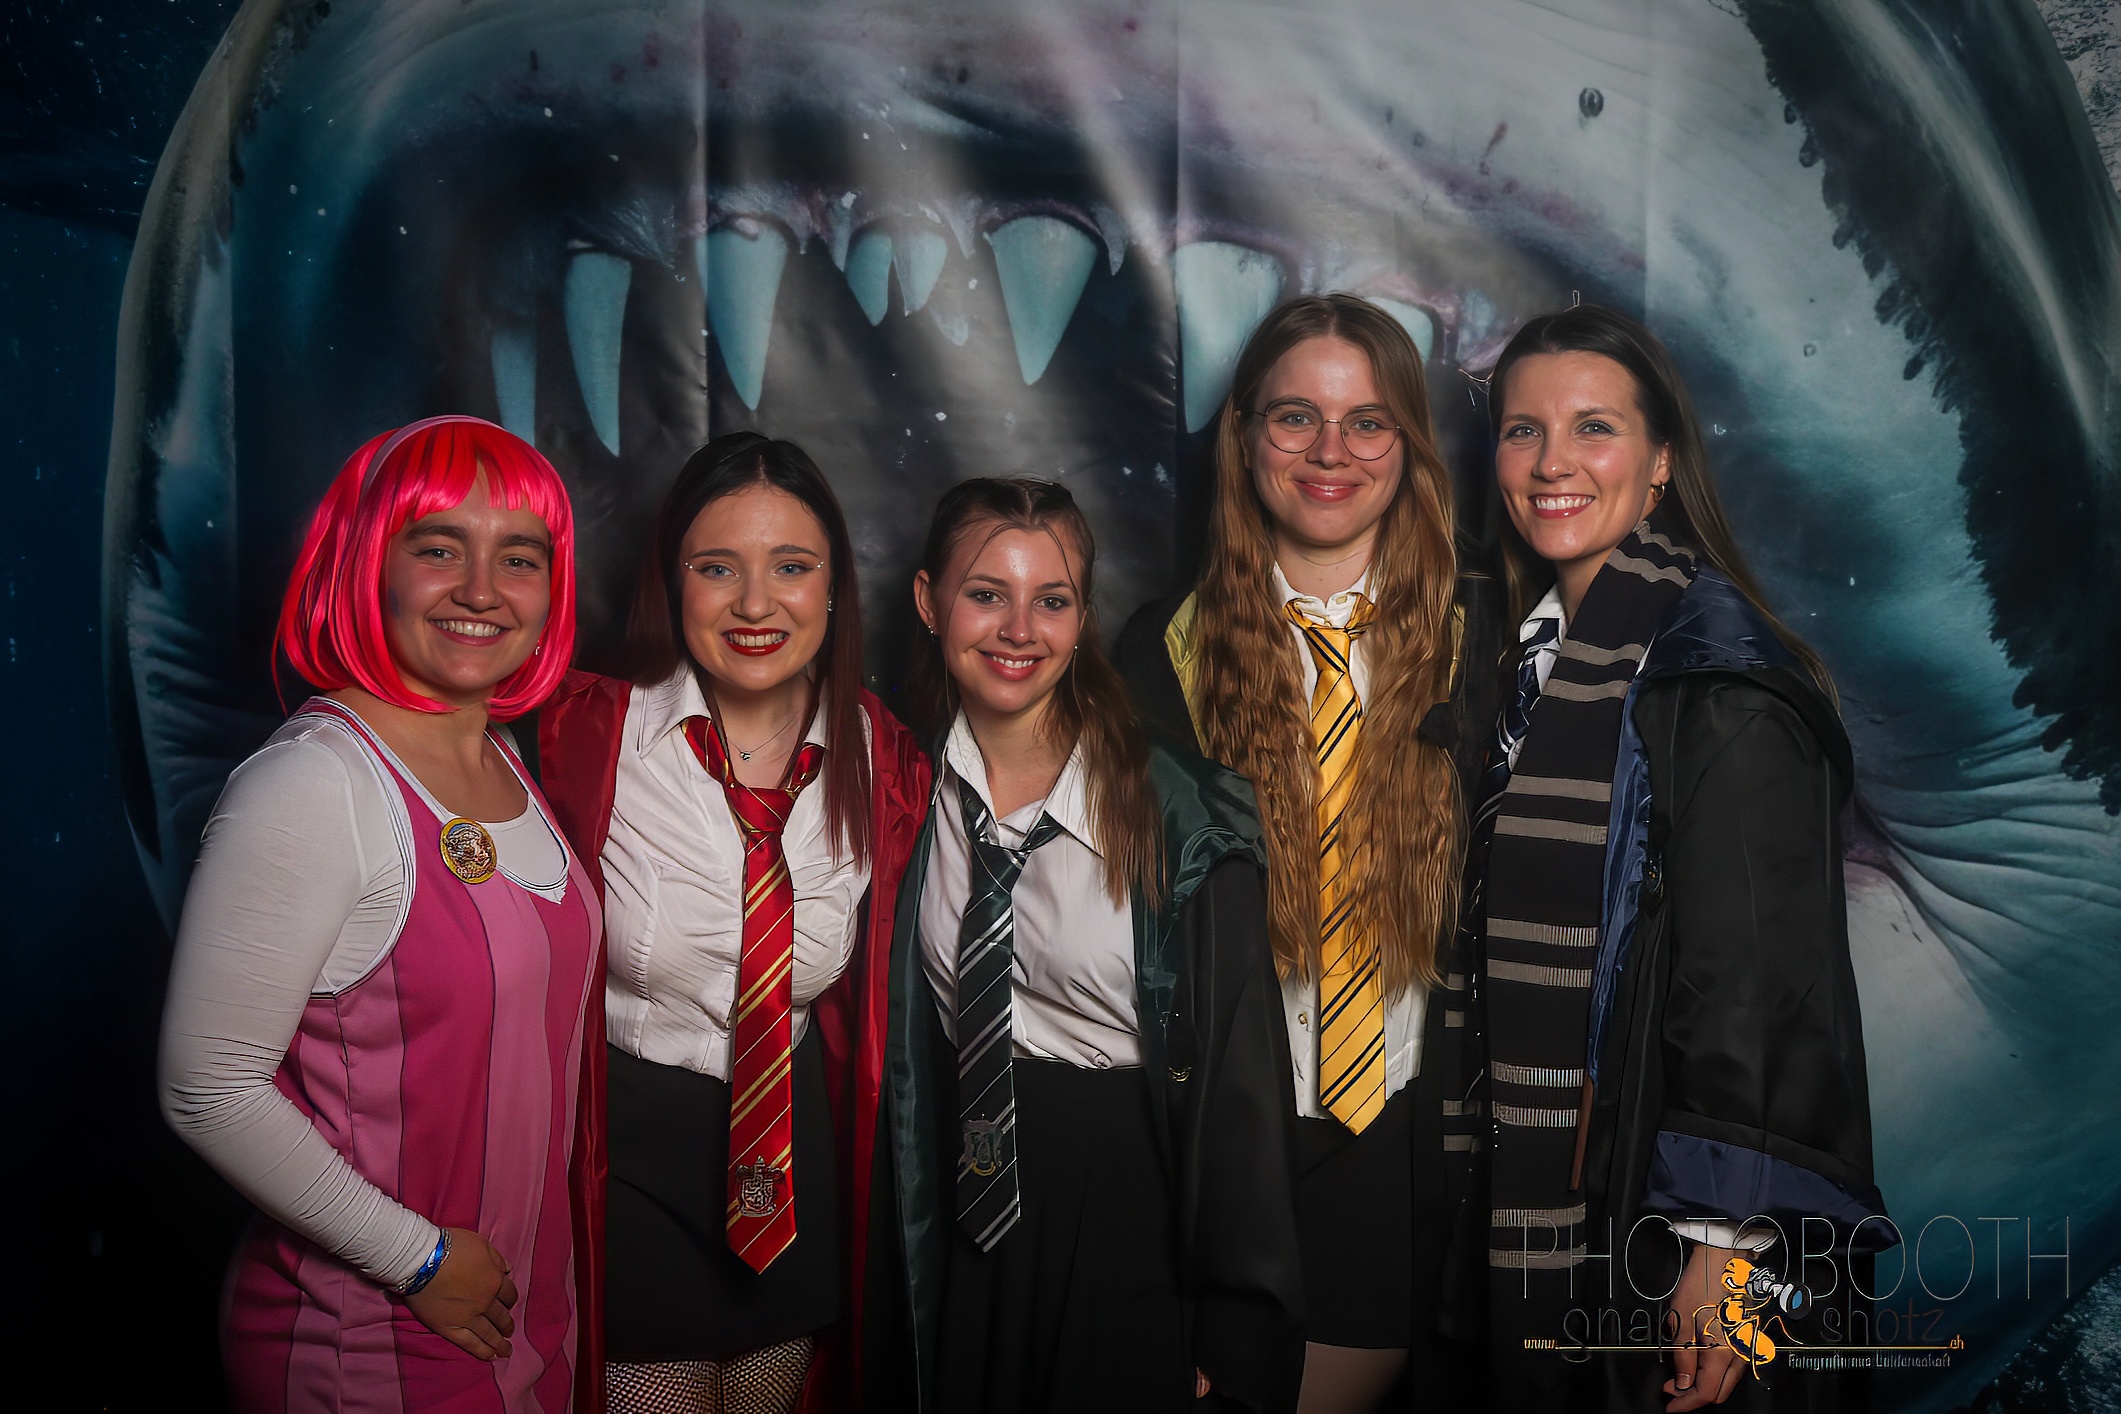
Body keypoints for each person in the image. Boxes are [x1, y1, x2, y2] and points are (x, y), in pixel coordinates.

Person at [1470, 303, 1890, 1411]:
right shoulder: (1526, 671)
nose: (1552, 463)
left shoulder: (1718, 679)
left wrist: (1726, 1241)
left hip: (1668, 1217)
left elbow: (1763, 983)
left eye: (1593, 428)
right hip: (1554, 1197)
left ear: (1660, 461)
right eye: (1522, 430)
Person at [159, 415, 598, 1412]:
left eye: (518, 558)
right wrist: (418, 1257)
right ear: (368, 565)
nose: (481, 590)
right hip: (367, 1335)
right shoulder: (312, 784)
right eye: (438, 548)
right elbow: (206, 1087)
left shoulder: (503, 759)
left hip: (522, 1324)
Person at [1117, 294, 1499, 1412]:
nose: (1331, 451)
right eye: (1295, 417)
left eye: (1368, 421)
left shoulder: (1490, 641)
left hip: (1411, 1131)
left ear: (1409, 446)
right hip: (1234, 1138)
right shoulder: (1161, 656)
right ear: (1244, 437)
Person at [882, 477, 1304, 1413]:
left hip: (1124, 1214)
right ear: (928, 601)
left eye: (1052, 600)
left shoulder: (1182, 815)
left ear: (1082, 619)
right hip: (960, 1204)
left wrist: (1231, 1326)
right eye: (985, 593)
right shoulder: (902, 788)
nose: (1018, 630)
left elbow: (1242, 1096)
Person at [535, 432, 930, 1414]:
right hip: (629, 1160)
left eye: (791, 567)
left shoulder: (884, 760)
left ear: (834, 588)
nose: (756, 604)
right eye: (718, 568)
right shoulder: (583, 733)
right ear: (673, 582)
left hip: (790, 1168)